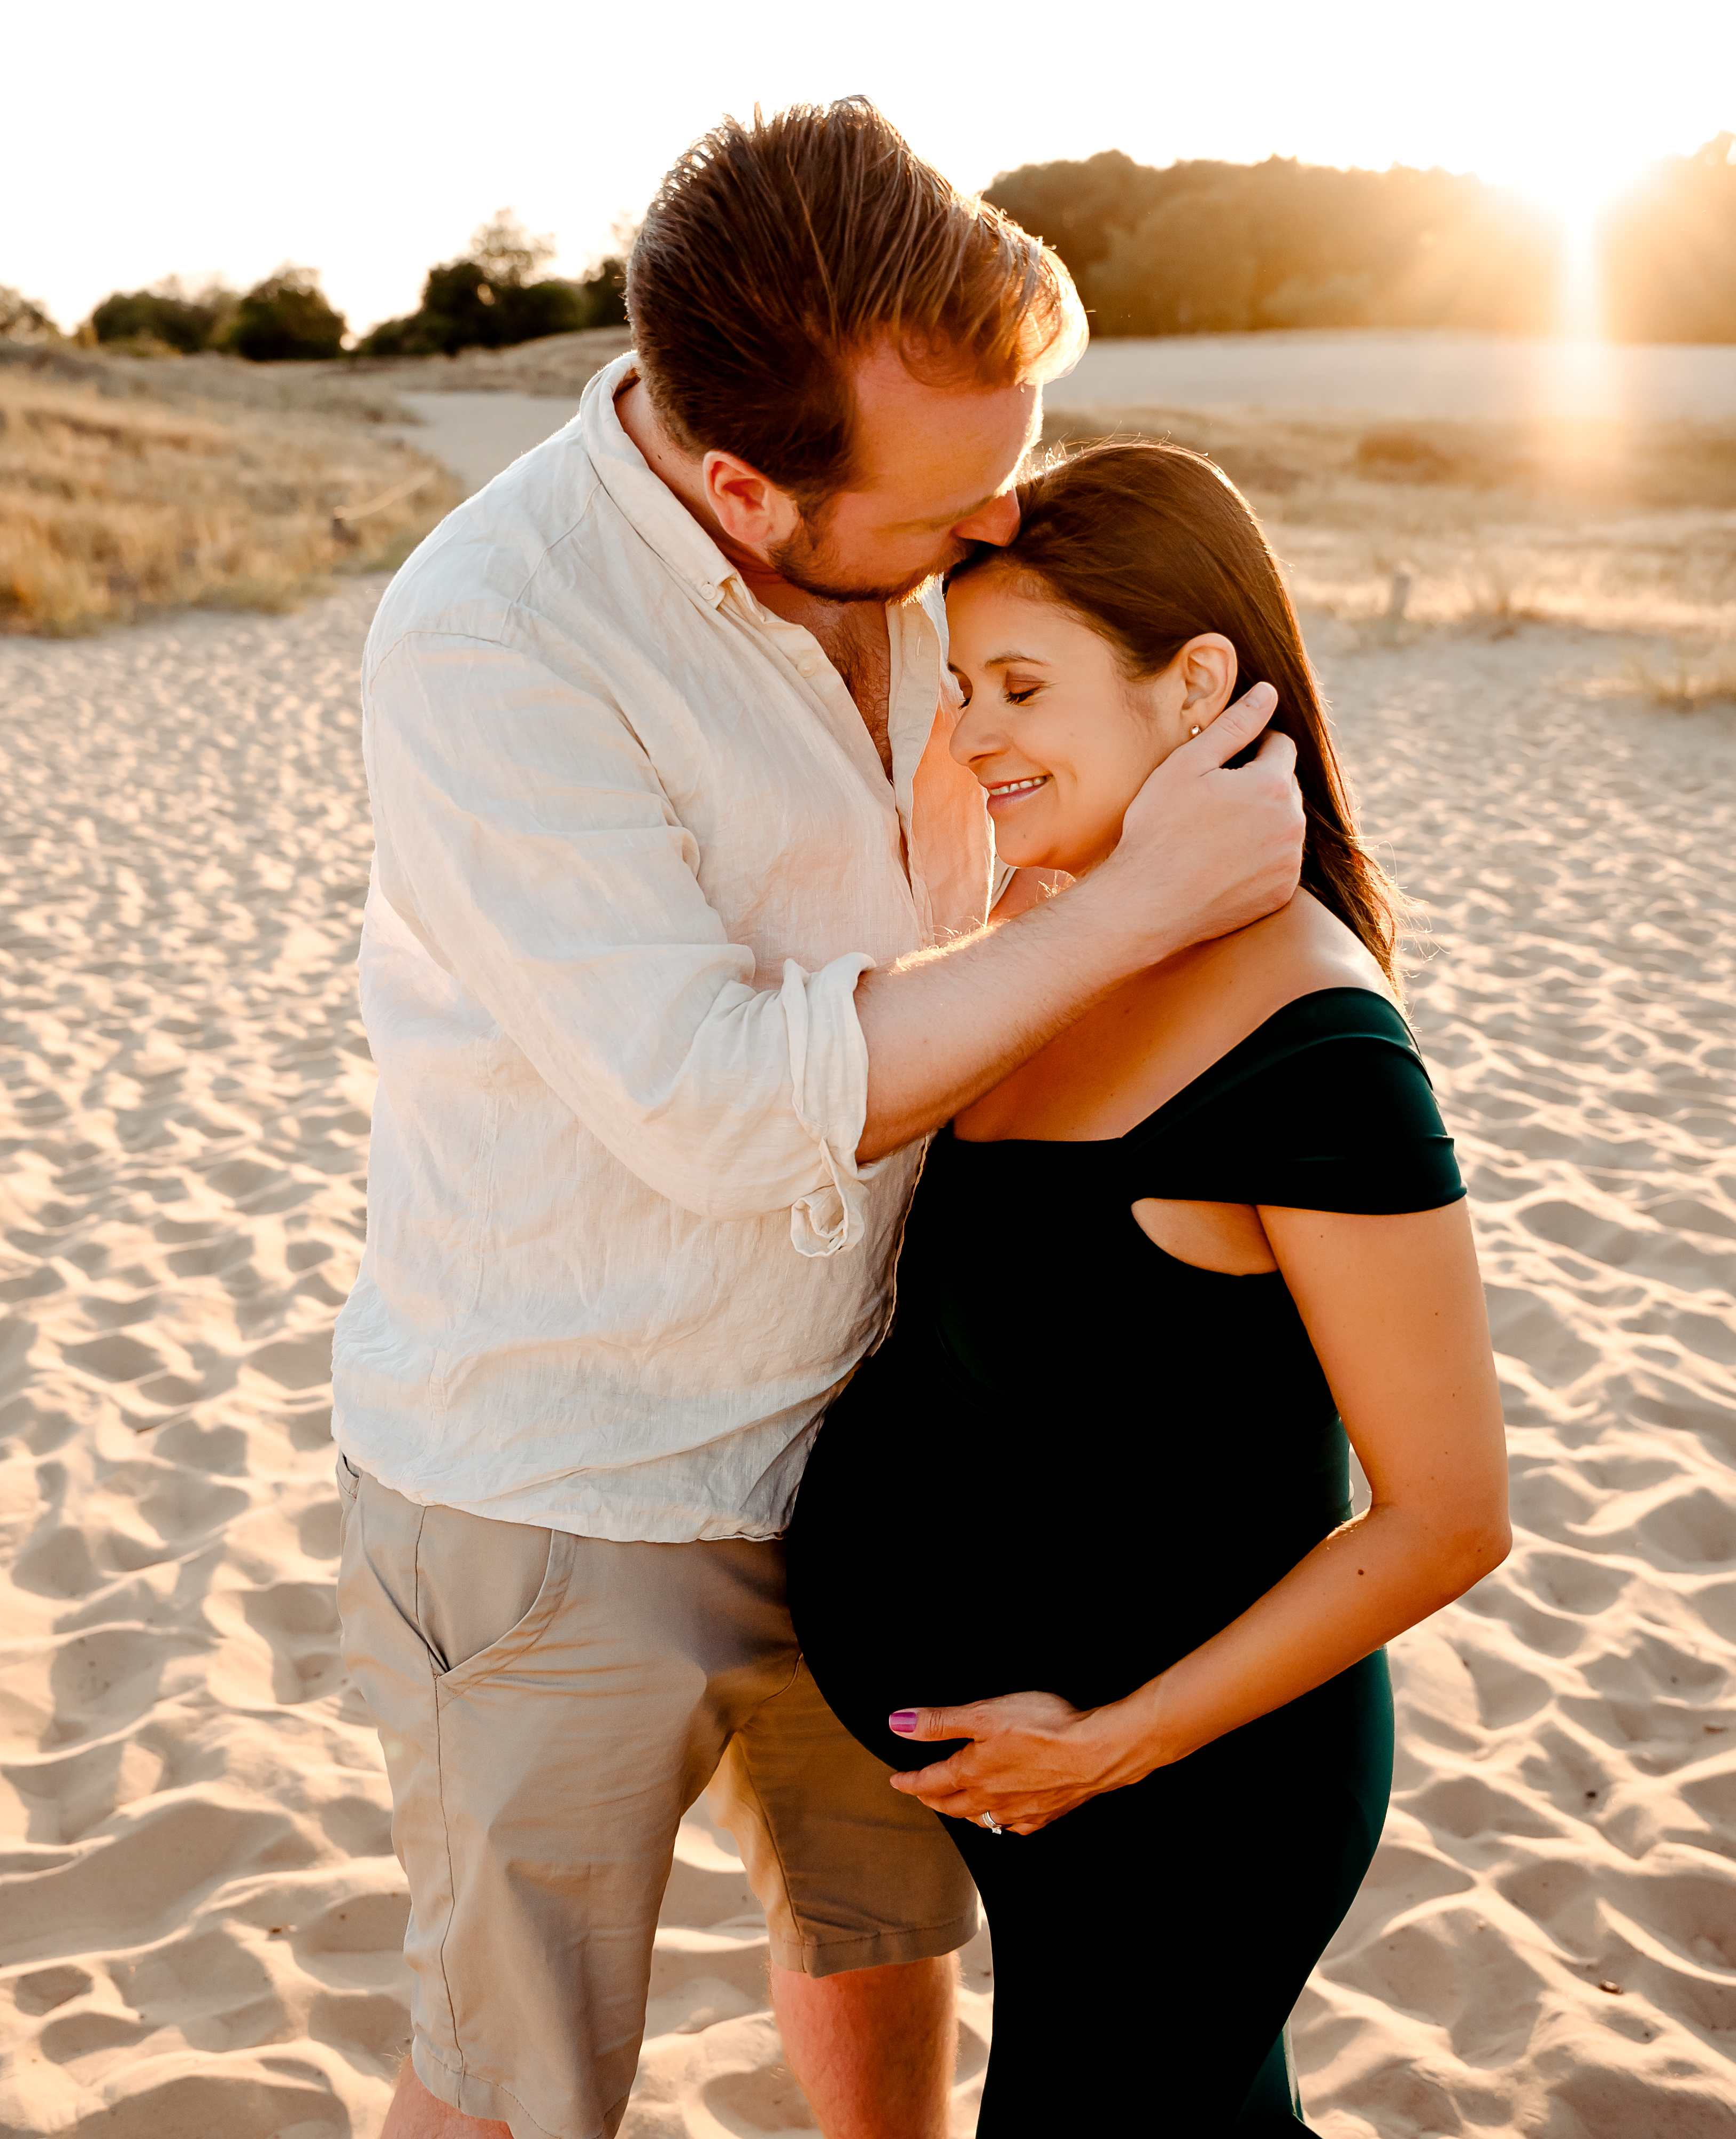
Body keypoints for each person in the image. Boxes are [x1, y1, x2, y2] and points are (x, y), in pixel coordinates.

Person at [330, 104, 1310, 2139]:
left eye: (1017, 464)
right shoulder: (488, 638)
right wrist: (1137, 910)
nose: (997, 535)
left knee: (881, 1941)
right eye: (951, 511)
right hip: (563, 1481)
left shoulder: (950, 530)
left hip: (889, 1449)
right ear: (744, 488)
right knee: (512, 2068)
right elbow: (709, 1098)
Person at [788, 441, 1515, 2137]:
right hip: (1036, 1795)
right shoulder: (1064, 935)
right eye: (961, 685)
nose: (972, 734)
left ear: (1195, 682)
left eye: (1023, 685)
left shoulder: (1316, 1053)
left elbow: (1450, 1518)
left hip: (1188, 1805)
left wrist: (1111, 1745)